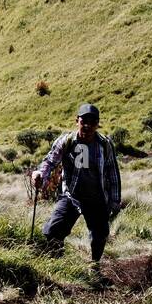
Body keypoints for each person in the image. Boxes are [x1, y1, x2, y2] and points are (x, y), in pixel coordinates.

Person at [31, 103, 122, 278]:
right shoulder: (66, 141)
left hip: (97, 197)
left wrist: (115, 200)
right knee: (53, 231)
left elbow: (112, 171)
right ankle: (57, 268)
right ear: (77, 121)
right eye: (83, 121)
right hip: (71, 196)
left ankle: (95, 267)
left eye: (92, 122)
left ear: (97, 124)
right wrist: (39, 174)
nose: (87, 125)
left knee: (99, 235)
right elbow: (50, 161)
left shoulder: (104, 144)